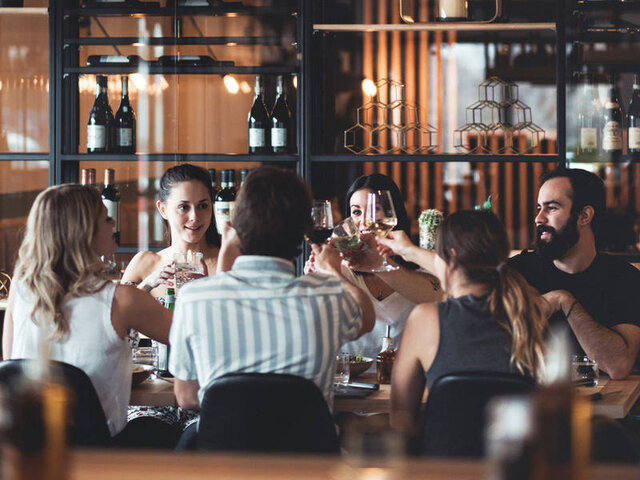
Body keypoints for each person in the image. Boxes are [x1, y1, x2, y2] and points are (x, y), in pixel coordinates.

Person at [169, 166, 375, 413]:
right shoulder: (327, 296)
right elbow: (367, 316)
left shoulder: (194, 298)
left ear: (235, 226)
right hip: (305, 438)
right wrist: (333, 270)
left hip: (224, 438)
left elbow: (187, 397)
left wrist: (228, 249)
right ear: (304, 232)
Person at [2, 184, 171, 438]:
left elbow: (12, 367)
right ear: (84, 232)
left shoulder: (21, 286)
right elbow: (192, 335)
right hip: (97, 453)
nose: (114, 223)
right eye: (107, 218)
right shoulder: (120, 299)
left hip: (28, 449)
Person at [383, 210, 547, 431]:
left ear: (451, 257)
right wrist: (409, 251)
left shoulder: (426, 319)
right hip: (514, 453)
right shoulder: (529, 313)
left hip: (444, 453)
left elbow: (400, 421)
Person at [508, 168, 640, 379]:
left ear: (584, 216)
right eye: (539, 208)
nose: (538, 218)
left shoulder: (623, 279)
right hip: (526, 396)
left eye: (552, 208)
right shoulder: (516, 273)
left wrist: (564, 301)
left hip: (602, 399)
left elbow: (618, 365)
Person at [306, 173, 442, 360]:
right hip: (351, 376)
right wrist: (317, 279)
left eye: (374, 209)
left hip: (405, 375)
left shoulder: (418, 265)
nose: (364, 221)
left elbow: (438, 295)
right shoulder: (339, 269)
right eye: (356, 212)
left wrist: (378, 264)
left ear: (392, 213)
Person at [121, 163, 219, 301]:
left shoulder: (228, 263)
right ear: (163, 210)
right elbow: (117, 311)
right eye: (183, 207)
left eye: (202, 206)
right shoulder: (144, 264)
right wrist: (147, 284)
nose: (194, 217)